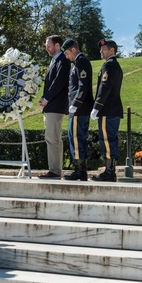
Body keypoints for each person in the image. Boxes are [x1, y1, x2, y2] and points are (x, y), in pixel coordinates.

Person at [92, 39, 124, 182]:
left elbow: (104, 88)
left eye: (104, 49)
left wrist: (97, 106)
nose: (101, 51)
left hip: (107, 109)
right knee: (110, 139)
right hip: (112, 109)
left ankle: (109, 171)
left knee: (107, 140)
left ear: (112, 50)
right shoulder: (113, 65)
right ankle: (110, 170)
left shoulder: (109, 66)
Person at [39, 34, 70, 179]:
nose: (47, 49)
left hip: (56, 105)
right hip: (51, 106)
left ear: (58, 45)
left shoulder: (63, 60)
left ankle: (55, 171)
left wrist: (46, 98)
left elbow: (58, 83)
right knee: (55, 139)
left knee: (52, 139)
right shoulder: (54, 61)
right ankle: (56, 170)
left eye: (49, 46)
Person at [63, 39, 93, 181]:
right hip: (80, 108)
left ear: (73, 49)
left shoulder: (81, 61)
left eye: (67, 53)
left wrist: (76, 103)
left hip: (79, 109)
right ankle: (81, 170)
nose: (66, 56)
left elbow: (83, 85)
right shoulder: (78, 62)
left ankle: (80, 170)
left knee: (75, 138)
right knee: (78, 138)